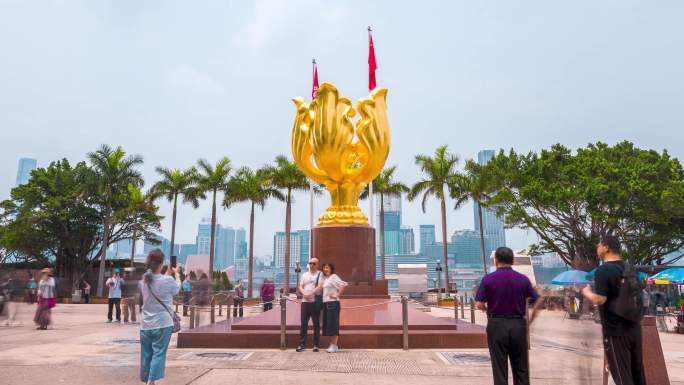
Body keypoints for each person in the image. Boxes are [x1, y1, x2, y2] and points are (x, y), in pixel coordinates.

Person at [582, 235, 645, 385]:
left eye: (598, 245)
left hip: (616, 333)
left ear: (606, 247)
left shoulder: (603, 271)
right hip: (634, 329)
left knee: (622, 379)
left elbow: (601, 299)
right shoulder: (629, 268)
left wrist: (587, 292)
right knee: (638, 376)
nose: (597, 248)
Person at [475, 247, 543, 385]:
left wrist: (488, 310)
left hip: (497, 324)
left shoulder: (488, 279)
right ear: (512, 261)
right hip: (518, 324)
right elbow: (538, 300)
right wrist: (530, 320)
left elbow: (479, 304)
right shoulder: (523, 279)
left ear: (496, 261)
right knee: (521, 367)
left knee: (499, 367)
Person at [138, 249, 180, 385]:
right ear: (161, 263)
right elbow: (176, 288)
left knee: (146, 354)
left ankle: (147, 380)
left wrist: (168, 272)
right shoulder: (167, 280)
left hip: (145, 324)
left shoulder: (144, 280)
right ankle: (151, 381)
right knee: (159, 353)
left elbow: (158, 281)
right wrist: (177, 274)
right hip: (162, 324)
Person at [296, 257, 323, 352]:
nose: (311, 265)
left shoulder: (320, 274)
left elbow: (320, 286)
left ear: (317, 264)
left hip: (315, 302)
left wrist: (310, 293)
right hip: (305, 302)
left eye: (314, 263)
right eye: (310, 263)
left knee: (316, 324)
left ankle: (316, 345)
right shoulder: (304, 275)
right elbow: (300, 286)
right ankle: (301, 345)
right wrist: (304, 293)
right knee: (303, 324)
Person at [321, 263, 347, 353]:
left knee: (333, 325)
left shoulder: (334, 276)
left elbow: (343, 284)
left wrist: (337, 294)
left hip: (333, 303)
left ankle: (334, 345)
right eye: (324, 267)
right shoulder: (325, 279)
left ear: (331, 269)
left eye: (327, 267)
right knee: (329, 325)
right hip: (326, 303)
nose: (325, 269)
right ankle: (332, 345)